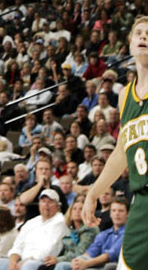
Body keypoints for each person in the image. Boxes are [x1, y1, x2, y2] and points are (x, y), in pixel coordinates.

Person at [83, 16, 148, 270]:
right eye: (139, 33)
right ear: (130, 43)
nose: (144, 37)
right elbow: (121, 151)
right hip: (142, 201)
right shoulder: (125, 96)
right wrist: (93, 192)